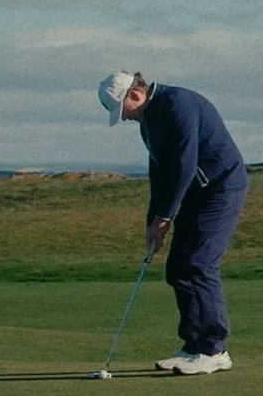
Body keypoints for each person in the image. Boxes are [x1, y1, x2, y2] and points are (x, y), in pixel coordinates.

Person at [97, 71, 247, 375]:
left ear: (135, 95)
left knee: (198, 265)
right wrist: (153, 221)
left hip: (221, 189)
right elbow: (159, 172)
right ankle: (193, 346)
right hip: (197, 192)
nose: (124, 117)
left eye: (123, 110)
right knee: (178, 268)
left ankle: (214, 350)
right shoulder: (149, 120)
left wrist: (166, 216)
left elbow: (184, 165)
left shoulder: (178, 104)